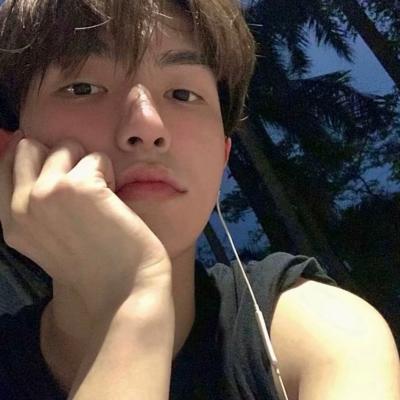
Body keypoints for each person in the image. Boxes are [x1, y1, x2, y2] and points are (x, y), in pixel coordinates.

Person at [0, 0, 399, 399]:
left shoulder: (325, 334)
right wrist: (132, 301)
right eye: (82, 88)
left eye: (182, 93)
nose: (146, 126)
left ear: (221, 158)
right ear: (13, 149)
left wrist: (129, 296)